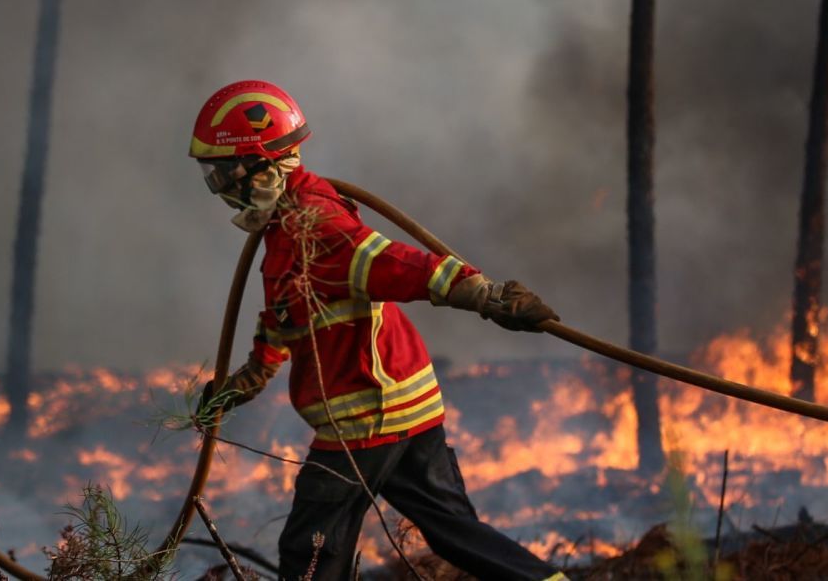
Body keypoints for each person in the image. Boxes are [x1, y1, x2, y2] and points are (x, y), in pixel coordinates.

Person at [189, 80, 567, 580]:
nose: (222, 186)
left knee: (311, 551)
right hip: (408, 407)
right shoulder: (286, 229)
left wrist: (488, 296)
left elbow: (398, 266)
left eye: (226, 171)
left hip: (366, 417)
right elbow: (288, 314)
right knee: (455, 532)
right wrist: (250, 379)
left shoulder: (316, 224)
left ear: (262, 165)